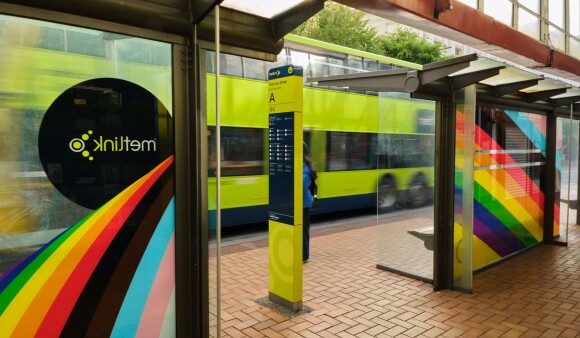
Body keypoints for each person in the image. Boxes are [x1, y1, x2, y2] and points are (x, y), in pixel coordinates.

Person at [303, 142, 317, 263]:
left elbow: (301, 186)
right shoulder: (301, 166)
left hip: (304, 204)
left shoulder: (306, 169)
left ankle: (304, 256)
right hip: (299, 203)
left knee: (304, 230)